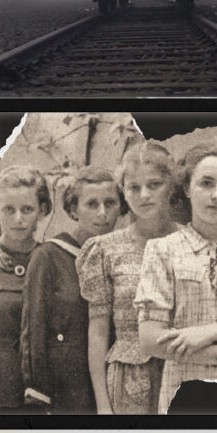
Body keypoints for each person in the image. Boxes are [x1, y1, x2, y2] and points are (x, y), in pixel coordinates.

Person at [136, 140, 217, 413]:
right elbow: (150, 339)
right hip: (184, 394)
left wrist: (211, 332)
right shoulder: (163, 250)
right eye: (206, 183)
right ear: (187, 187)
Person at [77, 143, 178, 414]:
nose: (144, 195)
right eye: (134, 187)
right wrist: (103, 405)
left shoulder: (192, 242)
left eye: (154, 184)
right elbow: (98, 332)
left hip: (185, 372)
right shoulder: (105, 249)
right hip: (128, 385)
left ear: (171, 184)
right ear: (123, 190)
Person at [20, 166, 119, 413]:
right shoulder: (49, 256)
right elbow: (33, 330)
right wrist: (38, 395)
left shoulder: (121, 258)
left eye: (110, 203)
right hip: (65, 391)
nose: (103, 213)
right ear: (74, 209)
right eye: (92, 204)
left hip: (114, 384)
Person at [0, 166, 48, 412]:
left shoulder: (52, 261)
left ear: (41, 211)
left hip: (43, 395)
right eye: (8, 209)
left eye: (27, 209)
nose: (18, 219)